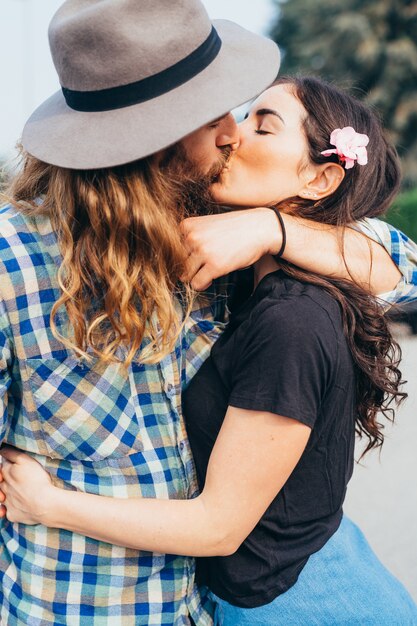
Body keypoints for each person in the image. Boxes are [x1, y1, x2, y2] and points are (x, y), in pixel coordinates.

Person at [0, 0, 416, 623]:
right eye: (207, 113)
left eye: (248, 115)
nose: (231, 132)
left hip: (213, 604)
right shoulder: (14, 265)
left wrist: (273, 228)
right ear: (145, 137)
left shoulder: (228, 233)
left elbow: (404, 267)